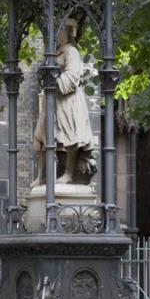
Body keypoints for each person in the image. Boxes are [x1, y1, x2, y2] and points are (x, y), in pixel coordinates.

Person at [32, 19, 95, 186]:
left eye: (60, 31)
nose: (56, 35)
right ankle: (41, 176)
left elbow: (72, 75)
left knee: (70, 136)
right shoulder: (54, 53)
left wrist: (54, 81)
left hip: (67, 100)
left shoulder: (71, 52)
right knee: (41, 136)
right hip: (51, 100)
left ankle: (68, 174)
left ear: (68, 32)